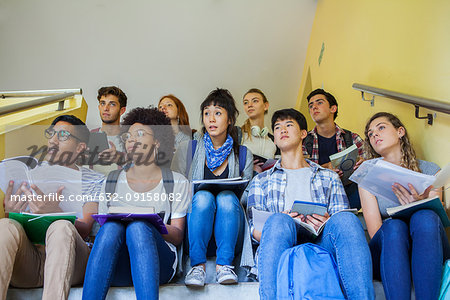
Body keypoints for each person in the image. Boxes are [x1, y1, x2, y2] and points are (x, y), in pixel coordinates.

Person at [247, 108, 374, 300]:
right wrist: (282, 220)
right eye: (277, 127)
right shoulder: (261, 181)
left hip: (321, 242)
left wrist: (326, 220)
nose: (282, 129)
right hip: (283, 242)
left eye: (289, 125)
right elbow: (255, 232)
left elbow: (342, 222)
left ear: (303, 134)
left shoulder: (329, 177)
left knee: (347, 219)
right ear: (274, 139)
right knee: (278, 221)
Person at [82, 107, 190, 300]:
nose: (132, 140)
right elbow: (104, 235)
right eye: (128, 136)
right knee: (111, 229)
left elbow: (178, 235)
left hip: (160, 264)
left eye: (140, 133)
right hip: (118, 264)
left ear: (157, 140)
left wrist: (152, 223)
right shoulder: (111, 181)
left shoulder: (177, 181)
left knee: (139, 227)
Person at [0, 115, 104, 300]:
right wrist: (10, 210)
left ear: (80, 147)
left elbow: (86, 228)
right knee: (5, 224)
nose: (53, 140)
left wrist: (55, 213)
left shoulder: (94, 180)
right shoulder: (31, 173)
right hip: (30, 261)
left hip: (71, 262)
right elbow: (17, 225)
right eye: (51, 134)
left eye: (62, 135)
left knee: (61, 226)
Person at [359, 112, 450, 300]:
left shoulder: (430, 171)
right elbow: (376, 232)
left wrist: (418, 205)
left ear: (400, 131)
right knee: (394, 226)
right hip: (390, 248)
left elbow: (437, 219)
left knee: (425, 216)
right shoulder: (368, 177)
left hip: (427, 245)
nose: (374, 134)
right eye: (370, 133)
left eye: (381, 128)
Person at [171, 88, 254, 286]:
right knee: (204, 197)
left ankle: (224, 266)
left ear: (230, 119)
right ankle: (197, 267)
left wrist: (235, 194)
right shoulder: (187, 149)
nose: (211, 119)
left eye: (218, 113)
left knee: (226, 197)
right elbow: (174, 189)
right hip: (196, 221)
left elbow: (249, 195)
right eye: (207, 113)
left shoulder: (243, 155)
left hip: (232, 226)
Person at [303, 88, 365, 209]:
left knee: (366, 184)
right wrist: (326, 168)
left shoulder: (352, 138)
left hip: (349, 192)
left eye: (319, 102)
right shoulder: (304, 141)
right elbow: (300, 174)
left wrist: (363, 164)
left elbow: (370, 166)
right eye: (310, 105)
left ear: (333, 108)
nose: (314, 107)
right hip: (318, 195)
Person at [90, 86, 128, 174]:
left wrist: (120, 158)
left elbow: (140, 168)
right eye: (102, 103)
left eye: (112, 104)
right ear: (99, 107)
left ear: (122, 110)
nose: (106, 108)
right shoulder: (89, 136)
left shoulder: (130, 138)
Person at [240, 89, 277, 173]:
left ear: (265, 105)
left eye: (255, 101)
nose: (249, 105)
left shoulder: (272, 141)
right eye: (246, 102)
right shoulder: (238, 134)